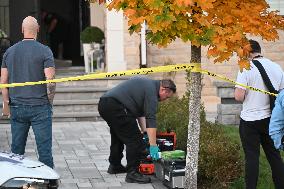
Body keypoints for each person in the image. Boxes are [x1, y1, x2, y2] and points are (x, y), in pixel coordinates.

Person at [1, 16, 56, 169]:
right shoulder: (45, 51)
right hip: (40, 107)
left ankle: (15, 181)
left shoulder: (9, 52)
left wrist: (6, 105)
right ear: (38, 30)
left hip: (17, 107)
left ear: (22, 30)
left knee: (16, 151)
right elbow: (50, 80)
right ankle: (49, 183)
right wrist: (49, 101)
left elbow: (3, 82)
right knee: (44, 151)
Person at [98, 77, 176, 184]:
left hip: (105, 104)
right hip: (117, 106)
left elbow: (140, 114)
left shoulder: (148, 85)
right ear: (164, 90)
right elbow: (150, 119)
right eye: (166, 97)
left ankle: (115, 165)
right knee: (134, 140)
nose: (164, 100)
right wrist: (153, 145)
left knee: (118, 136)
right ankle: (132, 173)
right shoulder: (152, 92)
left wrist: (145, 133)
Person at [234, 39, 284, 189]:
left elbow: (238, 96)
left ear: (247, 52)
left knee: (252, 158)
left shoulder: (245, 68)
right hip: (271, 119)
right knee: (274, 156)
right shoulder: (276, 67)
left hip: (249, 120)